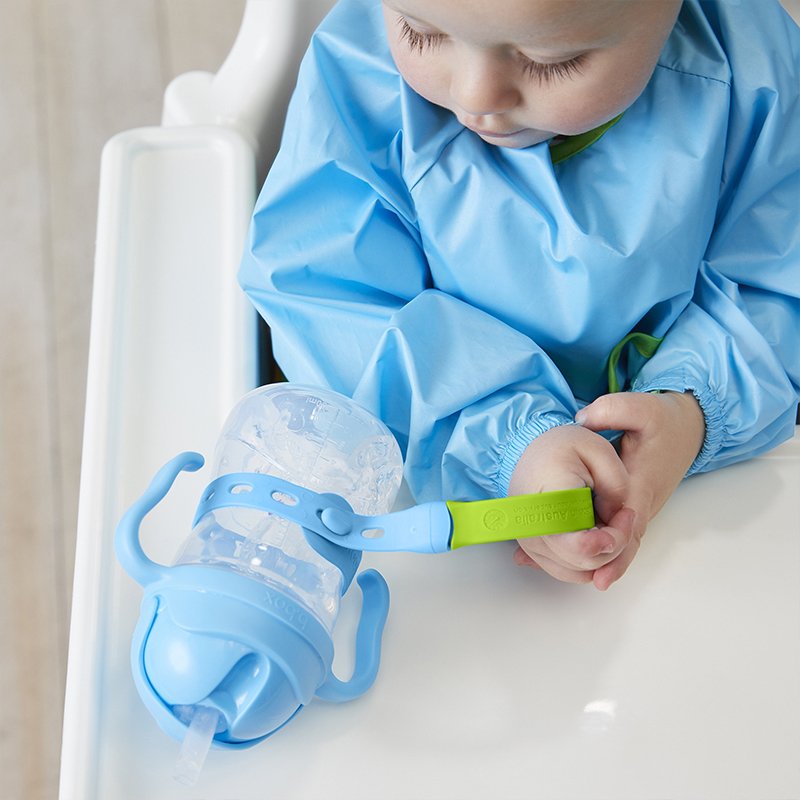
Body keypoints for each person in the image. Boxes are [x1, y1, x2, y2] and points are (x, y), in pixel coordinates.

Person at [239, 0, 800, 589]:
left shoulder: (756, 77)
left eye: (551, 61)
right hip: (443, 474)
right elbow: (326, 297)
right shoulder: (359, 77)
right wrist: (509, 441)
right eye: (421, 33)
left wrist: (691, 410)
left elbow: (778, 280)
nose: (476, 97)